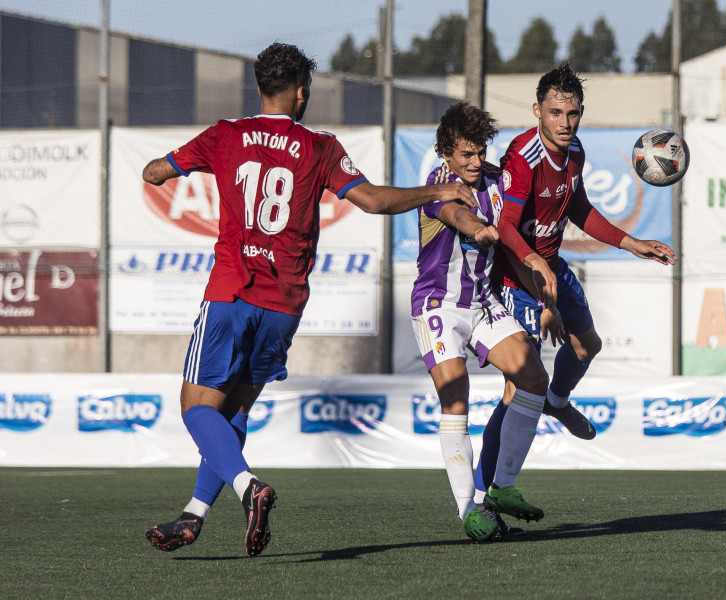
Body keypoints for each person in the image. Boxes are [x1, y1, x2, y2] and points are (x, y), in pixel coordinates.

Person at [142, 42, 475, 556]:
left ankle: (249, 487)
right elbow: (373, 201)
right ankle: (193, 516)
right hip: (284, 303)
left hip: (231, 291)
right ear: (302, 93)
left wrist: (169, 167)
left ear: (258, 88)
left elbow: (154, 173)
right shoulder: (319, 146)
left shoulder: (224, 135)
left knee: (194, 407)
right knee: (233, 411)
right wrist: (435, 192)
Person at [473, 62, 677, 502]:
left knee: (587, 345)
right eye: (555, 113)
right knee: (516, 387)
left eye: (573, 113)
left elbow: (579, 209)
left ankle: (558, 403)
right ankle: (484, 493)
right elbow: (507, 227)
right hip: (516, 274)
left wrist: (629, 241)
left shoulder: (576, 151)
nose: (566, 123)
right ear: (537, 111)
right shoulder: (522, 157)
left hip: (551, 265)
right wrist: (533, 265)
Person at [411, 101, 550, 543]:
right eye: (465, 155)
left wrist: (543, 287)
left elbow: (511, 233)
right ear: (447, 152)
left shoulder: (497, 181)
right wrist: (477, 229)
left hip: (483, 303)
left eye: (479, 152)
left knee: (533, 376)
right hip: (438, 306)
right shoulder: (438, 183)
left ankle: (502, 488)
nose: (474, 162)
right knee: (456, 396)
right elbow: (456, 214)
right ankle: (467, 509)